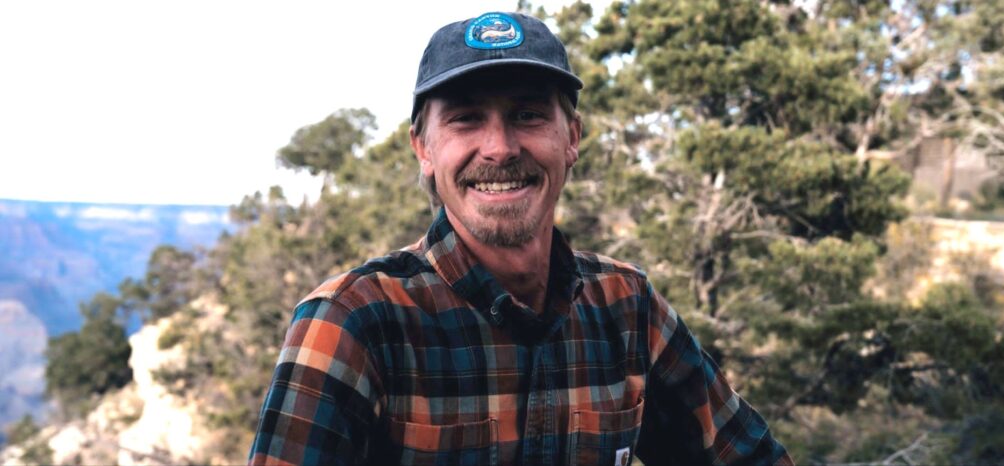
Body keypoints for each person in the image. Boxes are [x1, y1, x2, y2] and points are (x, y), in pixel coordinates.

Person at [249, 11, 792, 466]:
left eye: (528, 115)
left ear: (571, 137)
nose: (500, 147)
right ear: (424, 147)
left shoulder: (628, 309)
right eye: (466, 119)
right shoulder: (353, 321)